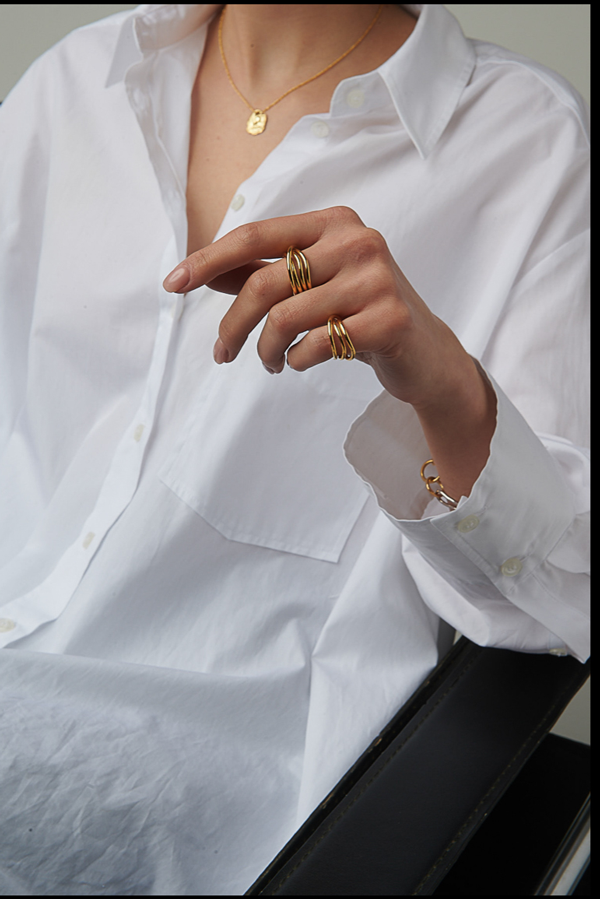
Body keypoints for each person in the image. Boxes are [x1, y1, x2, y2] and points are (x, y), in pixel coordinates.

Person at [0, 3, 589, 895]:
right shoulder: (73, 83)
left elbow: (563, 598)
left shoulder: (530, 148)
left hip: (194, 814)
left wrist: (444, 384)